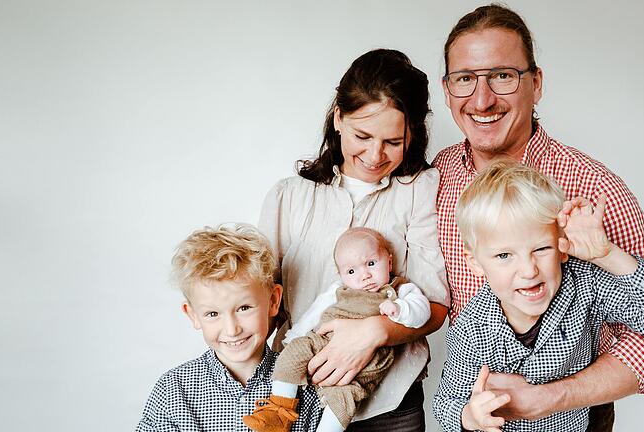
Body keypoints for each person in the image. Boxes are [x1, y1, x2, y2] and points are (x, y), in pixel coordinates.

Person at [432, 4, 644, 430]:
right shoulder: (439, 175)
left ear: (536, 83)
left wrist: (546, 399)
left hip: (571, 413)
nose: (482, 99)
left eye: (503, 76)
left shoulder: (595, 189)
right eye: (465, 79)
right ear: (447, 89)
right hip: (479, 412)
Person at [258, 48, 449, 431]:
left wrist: (373, 332)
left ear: (414, 134)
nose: (375, 155)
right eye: (362, 135)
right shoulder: (290, 197)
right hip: (299, 395)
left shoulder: (421, 191)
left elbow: (436, 305)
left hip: (390, 402)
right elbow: (262, 299)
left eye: (394, 142)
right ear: (338, 118)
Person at [433, 161, 644, 432]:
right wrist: (469, 416)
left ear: (562, 247)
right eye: (504, 255)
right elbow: (446, 403)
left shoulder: (585, 288)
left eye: (541, 248)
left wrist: (608, 255)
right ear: (476, 263)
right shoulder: (471, 329)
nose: (528, 270)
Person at [136, 224, 322, 432]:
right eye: (213, 314)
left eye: (244, 308)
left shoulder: (305, 386)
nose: (232, 330)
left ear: (273, 301)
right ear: (193, 315)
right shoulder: (173, 391)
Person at [244, 227, 431, 432]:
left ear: (389, 261)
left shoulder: (399, 290)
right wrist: (295, 337)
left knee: (344, 401)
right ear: (341, 275)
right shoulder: (337, 291)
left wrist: (400, 309)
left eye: (371, 263)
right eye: (352, 271)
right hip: (322, 340)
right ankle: (278, 413)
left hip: (366, 366)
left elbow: (423, 312)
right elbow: (313, 314)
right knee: (290, 355)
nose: (365, 275)